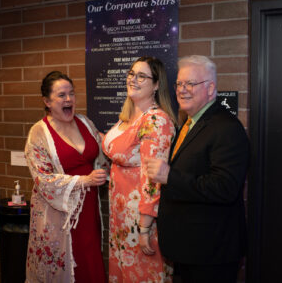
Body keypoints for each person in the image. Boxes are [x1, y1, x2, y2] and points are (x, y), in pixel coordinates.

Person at [145, 55, 250, 283]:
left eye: (190, 83)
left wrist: (169, 176)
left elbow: (225, 187)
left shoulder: (227, 128)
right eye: (179, 84)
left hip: (211, 254)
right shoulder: (189, 124)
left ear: (211, 88)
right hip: (189, 249)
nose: (182, 90)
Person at [24, 71, 108, 282]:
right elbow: (42, 179)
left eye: (71, 93)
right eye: (61, 95)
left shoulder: (85, 122)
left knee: (90, 263)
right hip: (59, 216)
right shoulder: (38, 133)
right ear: (47, 101)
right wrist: (84, 180)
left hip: (88, 209)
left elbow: (104, 152)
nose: (69, 99)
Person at [102, 56, 176, 282]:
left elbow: (153, 180)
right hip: (120, 218)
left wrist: (144, 229)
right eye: (132, 74)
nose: (133, 79)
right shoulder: (126, 118)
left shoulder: (156, 120)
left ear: (156, 85)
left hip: (141, 221)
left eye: (142, 76)